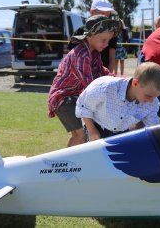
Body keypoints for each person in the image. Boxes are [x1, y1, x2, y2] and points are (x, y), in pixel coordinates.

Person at [48, 15, 120, 147]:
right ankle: (66, 165)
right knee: (80, 134)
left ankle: (77, 163)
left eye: (109, 40)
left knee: (87, 133)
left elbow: (102, 73)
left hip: (74, 97)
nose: (107, 44)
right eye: (103, 40)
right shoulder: (81, 54)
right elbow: (91, 86)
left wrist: (121, 81)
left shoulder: (95, 53)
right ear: (90, 36)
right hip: (63, 98)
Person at [76, 62, 160, 141]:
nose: (151, 101)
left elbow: (154, 127)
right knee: (96, 158)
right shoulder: (105, 87)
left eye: (155, 97)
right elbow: (84, 105)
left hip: (121, 132)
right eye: (148, 96)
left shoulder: (152, 103)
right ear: (135, 83)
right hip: (97, 126)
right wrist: (91, 130)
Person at [90, 0, 118, 73]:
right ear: (92, 12)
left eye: (107, 15)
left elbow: (112, 58)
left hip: (103, 75)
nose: (105, 19)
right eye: (102, 14)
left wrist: (108, 78)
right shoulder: (80, 32)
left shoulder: (112, 33)